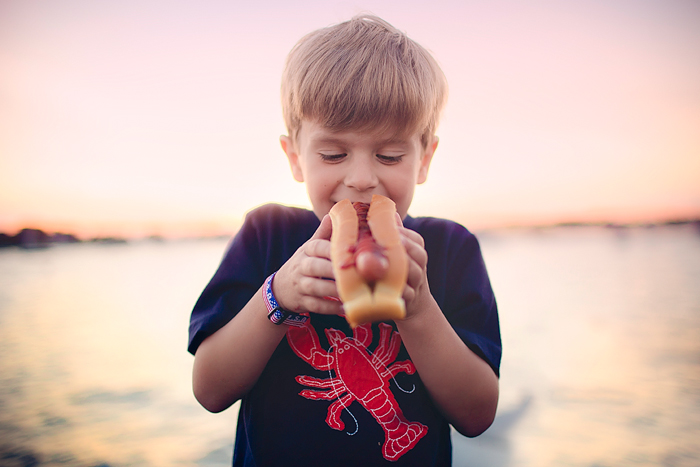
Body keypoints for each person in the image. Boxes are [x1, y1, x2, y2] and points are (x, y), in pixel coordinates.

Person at [188, 14, 501, 466]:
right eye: (333, 154)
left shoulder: (451, 248)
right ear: (295, 157)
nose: (361, 179)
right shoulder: (266, 234)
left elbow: (477, 415)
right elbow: (210, 390)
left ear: (424, 158)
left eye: (389, 155)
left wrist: (417, 309)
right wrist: (277, 297)